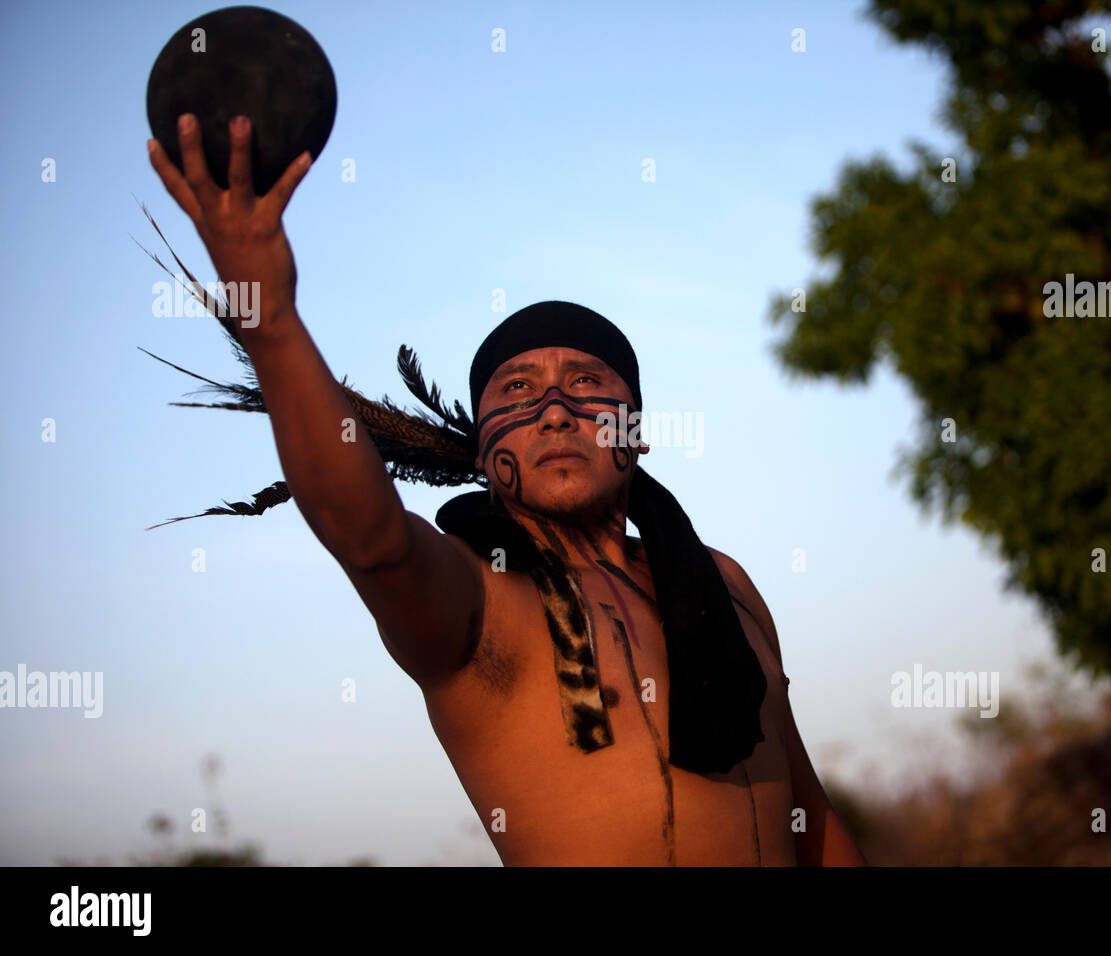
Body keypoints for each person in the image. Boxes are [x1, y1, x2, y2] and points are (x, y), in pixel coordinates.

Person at [146, 112, 867, 866]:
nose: (556, 409)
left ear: (637, 429)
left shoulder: (728, 585)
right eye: (518, 389)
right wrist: (276, 325)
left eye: (587, 382)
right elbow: (372, 541)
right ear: (485, 449)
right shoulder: (480, 598)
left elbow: (810, 817)